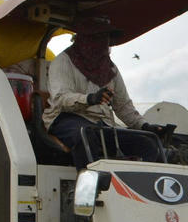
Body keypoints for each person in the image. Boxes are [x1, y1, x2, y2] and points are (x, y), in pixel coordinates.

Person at [44, 18, 173, 170]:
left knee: (148, 144)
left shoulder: (110, 68)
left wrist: (145, 126)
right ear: (85, 39)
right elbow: (61, 99)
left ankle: (137, 189)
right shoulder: (63, 61)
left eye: (106, 39)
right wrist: (90, 99)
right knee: (85, 136)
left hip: (102, 125)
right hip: (66, 118)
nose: (104, 44)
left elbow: (123, 105)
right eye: (98, 38)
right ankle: (89, 188)